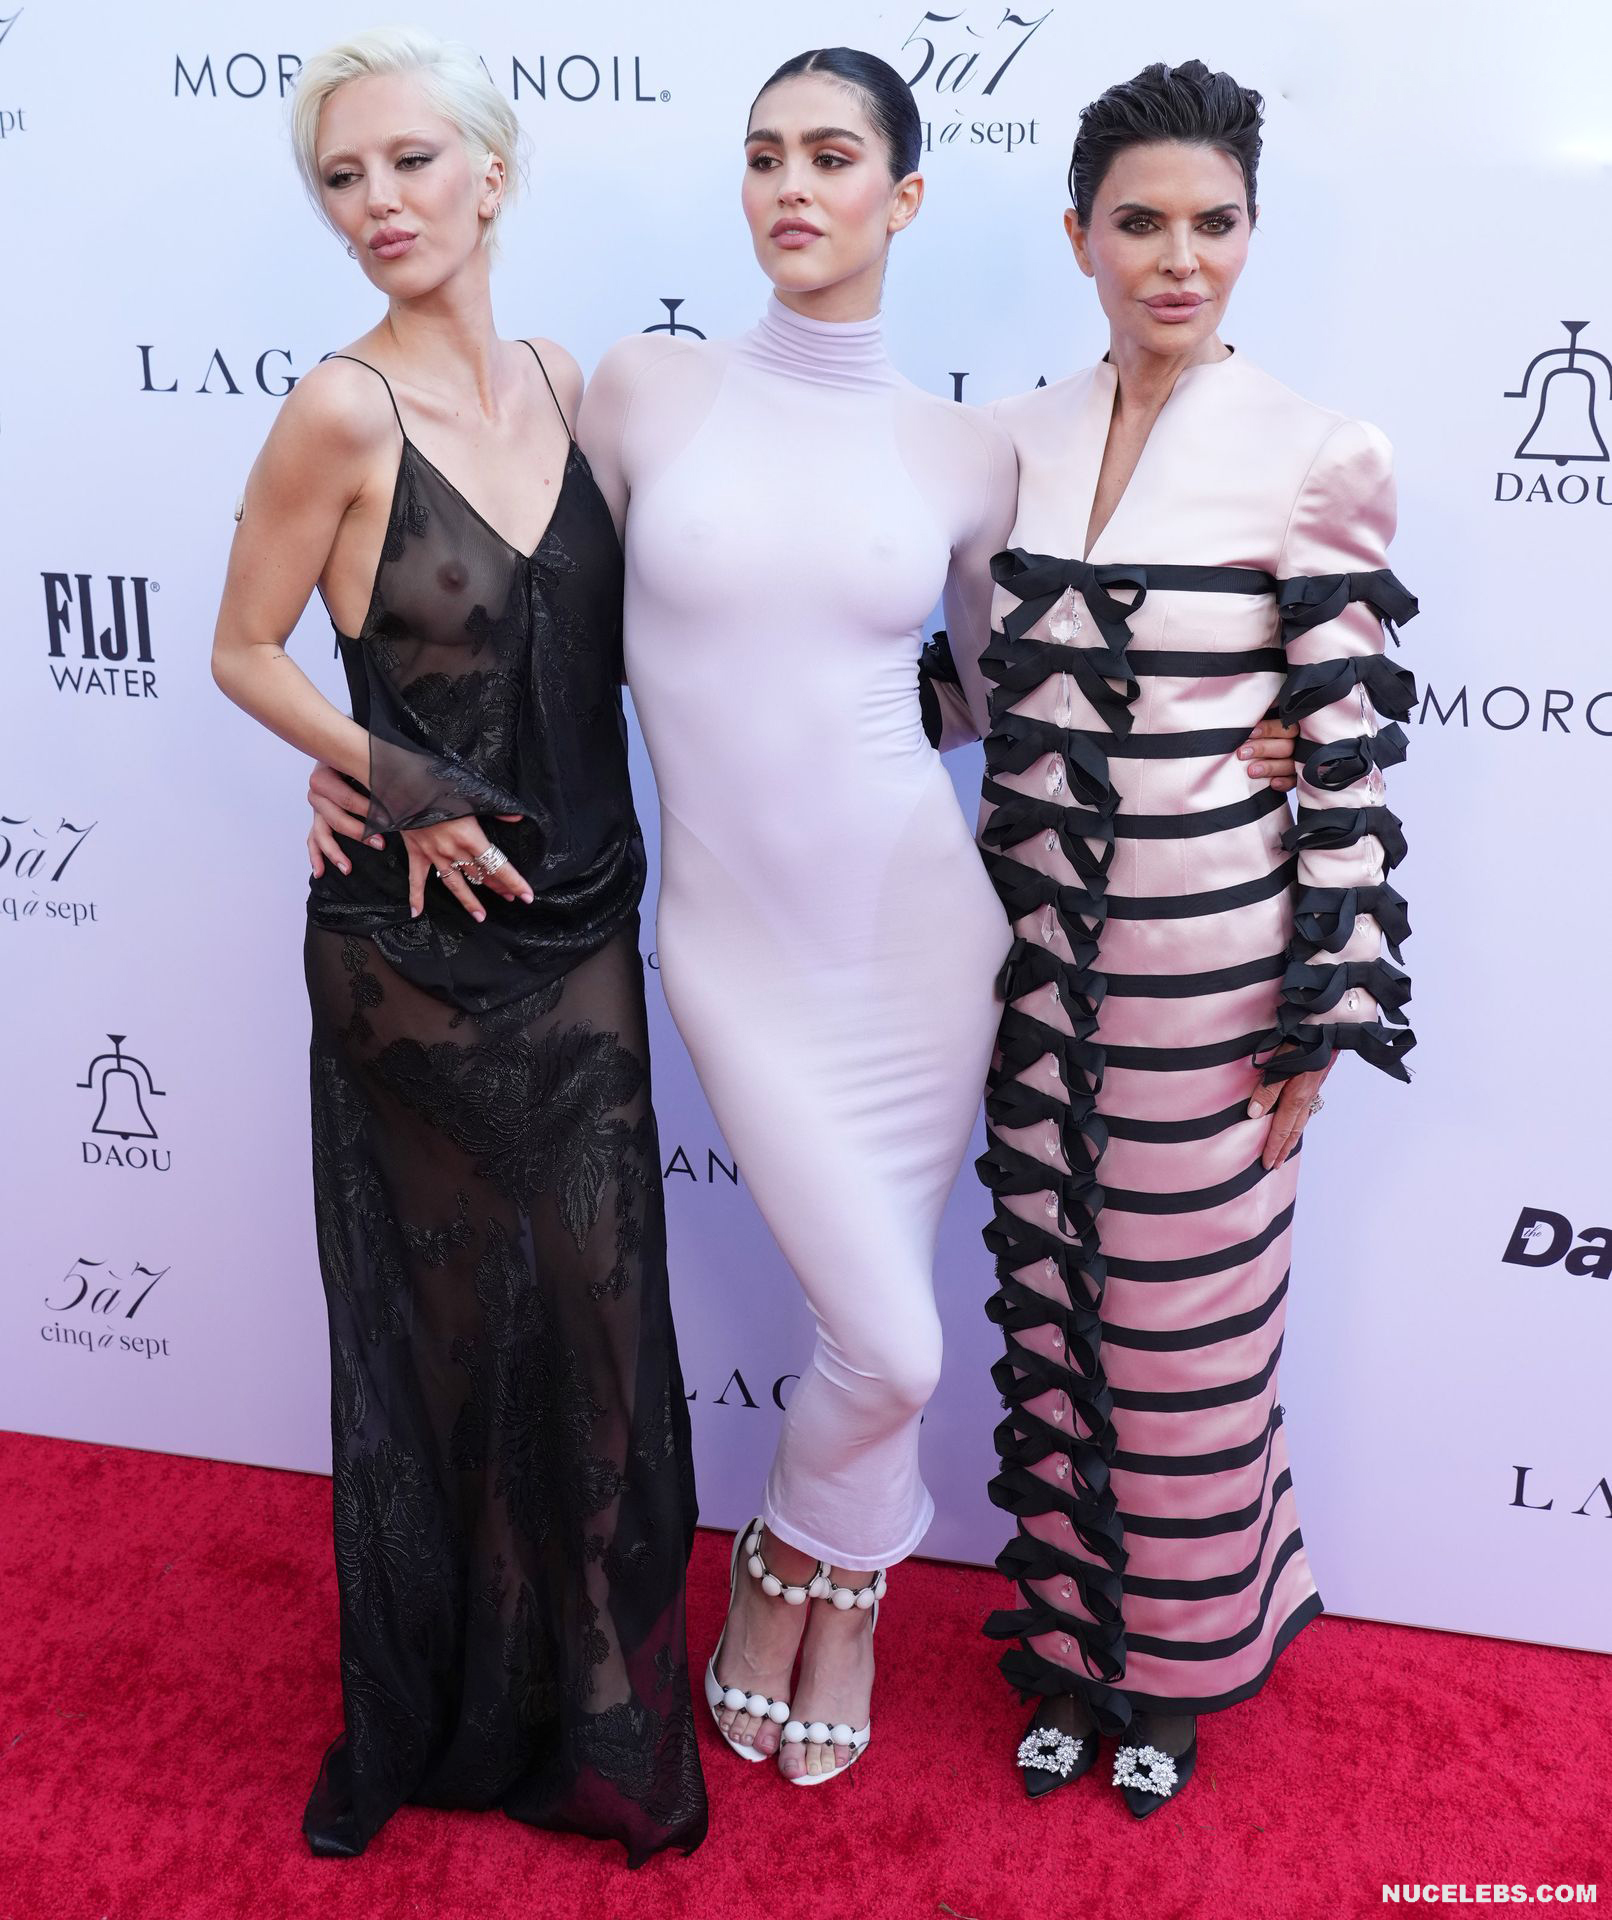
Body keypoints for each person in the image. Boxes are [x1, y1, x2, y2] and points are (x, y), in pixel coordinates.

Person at [210, 28, 705, 1865]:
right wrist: (386, 772)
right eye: (342, 178)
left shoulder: (565, 381)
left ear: (492, 176)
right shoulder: (340, 412)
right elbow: (244, 647)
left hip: (583, 923)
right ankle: (445, 1709)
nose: (378, 204)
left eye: (410, 163)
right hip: (411, 954)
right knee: (441, 1346)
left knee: (597, 1330)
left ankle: (588, 1703)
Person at [953, 59, 1417, 1818]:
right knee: (1060, 1312)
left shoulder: (1317, 451)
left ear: (1251, 233)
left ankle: (1180, 1668)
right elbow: (963, 688)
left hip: (1213, 973)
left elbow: (1347, 759)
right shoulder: (1003, 442)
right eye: (1140, 222)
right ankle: (1075, 1644)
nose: (1179, 258)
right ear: (1079, 233)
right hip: (1028, 963)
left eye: (1214, 224)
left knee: (1189, 1342)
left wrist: (1322, 1016)